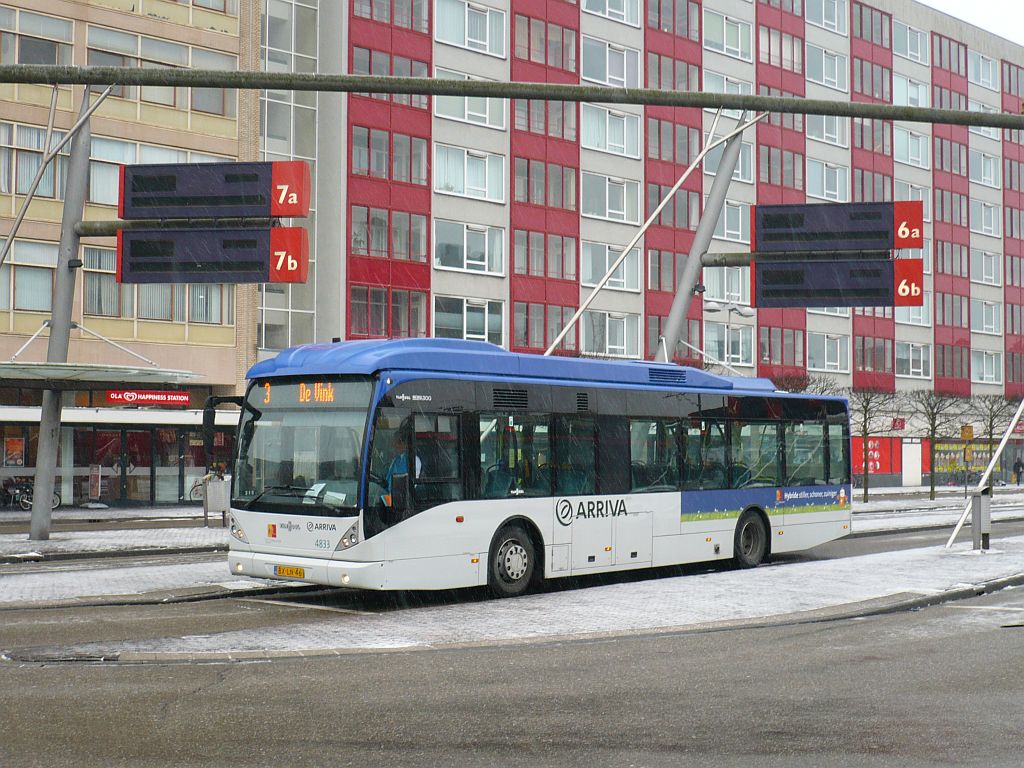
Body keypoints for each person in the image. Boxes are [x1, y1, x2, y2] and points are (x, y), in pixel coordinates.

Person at [383, 429, 422, 495]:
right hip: (390, 497)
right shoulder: (395, 460)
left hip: (403, 499)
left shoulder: (414, 460)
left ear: (404, 444)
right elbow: (387, 482)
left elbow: (413, 485)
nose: (394, 445)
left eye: (397, 442)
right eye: (394, 442)